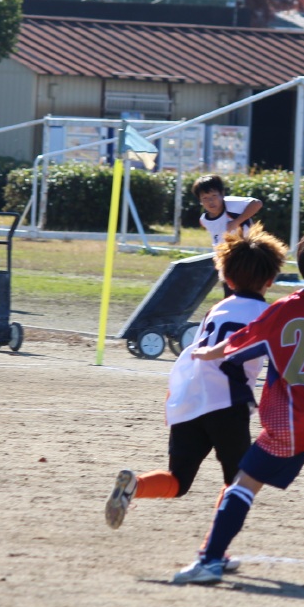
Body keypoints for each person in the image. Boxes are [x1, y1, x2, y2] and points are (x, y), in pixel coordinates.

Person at [170, 223, 304, 585]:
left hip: (291, 424)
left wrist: (208, 352)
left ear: (300, 267)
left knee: (243, 484)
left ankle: (210, 561)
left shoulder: (284, 309)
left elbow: (242, 340)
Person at [103, 224, 288, 574]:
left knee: (178, 480)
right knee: (241, 482)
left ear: (227, 278)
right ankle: (213, 549)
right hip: (226, 402)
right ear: (270, 280)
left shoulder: (216, 309)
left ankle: (136, 486)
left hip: (188, 396)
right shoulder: (267, 316)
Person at [193, 174, 263, 295]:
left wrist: (237, 221)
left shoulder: (231, 204)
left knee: (248, 294)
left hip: (247, 256)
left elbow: (257, 204)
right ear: (200, 200)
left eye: (214, 196)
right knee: (230, 295)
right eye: (205, 198)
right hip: (226, 262)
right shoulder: (204, 220)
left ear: (222, 194)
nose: (211, 201)